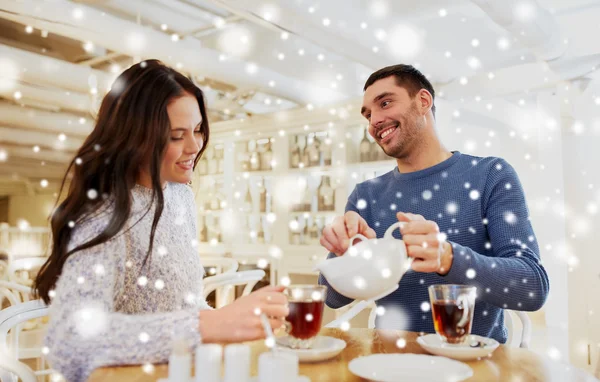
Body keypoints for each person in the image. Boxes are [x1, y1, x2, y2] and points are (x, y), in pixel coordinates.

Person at [34, 60, 288, 382]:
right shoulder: (104, 215)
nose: (195, 147)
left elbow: (185, 304)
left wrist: (230, 323)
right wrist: (210, 325)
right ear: (134, 137)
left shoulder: (179, 196)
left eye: (197, 130)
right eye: (175, 136)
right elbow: (69, 340)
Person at [318, 64, 549, 343]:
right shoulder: (366, 195)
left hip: (472, 365)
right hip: (388, 364)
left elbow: (533, 287)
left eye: (385, 103)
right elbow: (330, 297)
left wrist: (449, 258)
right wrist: (350, 255)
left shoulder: (491, 175)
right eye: (367, 114)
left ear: (423, 101)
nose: (374, 121)